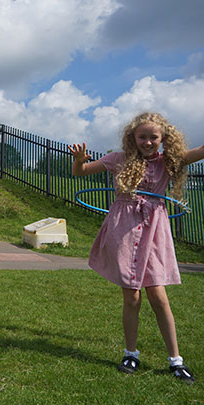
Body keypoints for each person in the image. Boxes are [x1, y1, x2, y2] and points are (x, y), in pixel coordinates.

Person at [69, 112, 203, 384]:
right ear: (133, 137)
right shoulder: (118, 159)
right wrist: (78, 161)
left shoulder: (169, 161)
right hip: (125, 229)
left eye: (154, 137)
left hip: (154, 232)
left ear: (163, 138)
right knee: (131, 296)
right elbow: (81, 173)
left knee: (158, 295)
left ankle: (175, 360)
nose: (148, 142)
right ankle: (131, 353)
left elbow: (198, 153)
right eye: (143, 136)